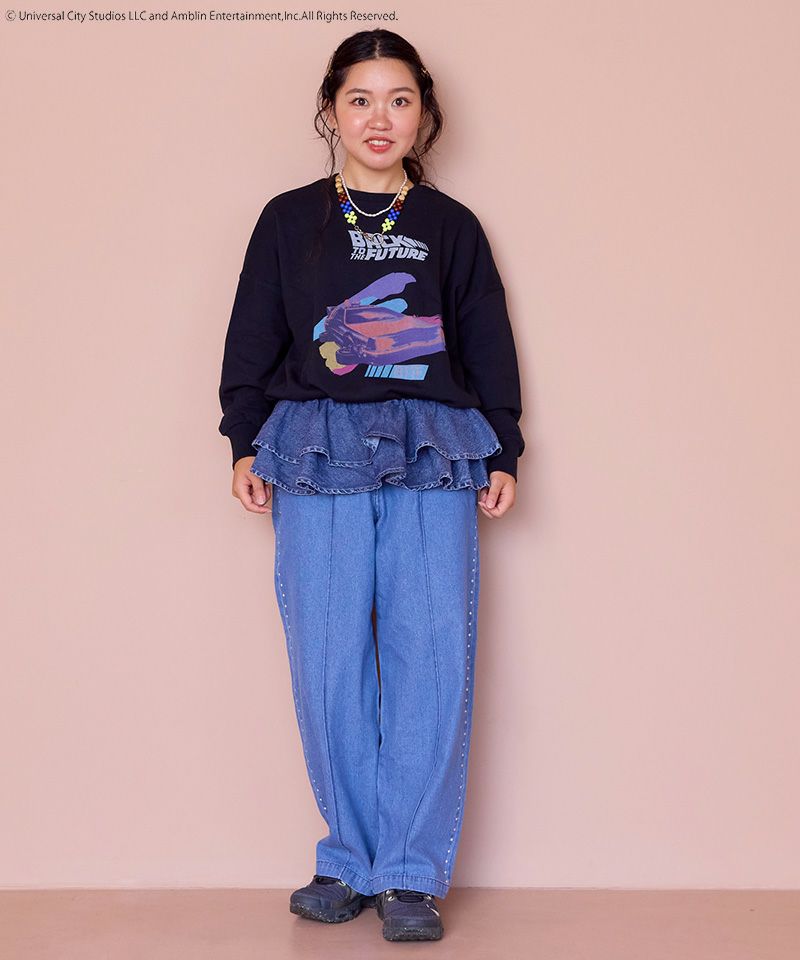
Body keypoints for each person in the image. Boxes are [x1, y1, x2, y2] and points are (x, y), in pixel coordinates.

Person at [218, 29, 525, 943]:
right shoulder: (287, 220)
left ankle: (409, 873)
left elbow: (487, 340)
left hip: (434, 450)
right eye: (360, 98)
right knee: (328, 659)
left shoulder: (452, 226)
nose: (379, 117)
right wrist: (242, 440)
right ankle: (347, 858)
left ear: (423, 112)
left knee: (433, 657)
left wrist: (503, 449)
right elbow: (252, 335)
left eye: (399, 99)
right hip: (313, 448)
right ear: (331, 110)